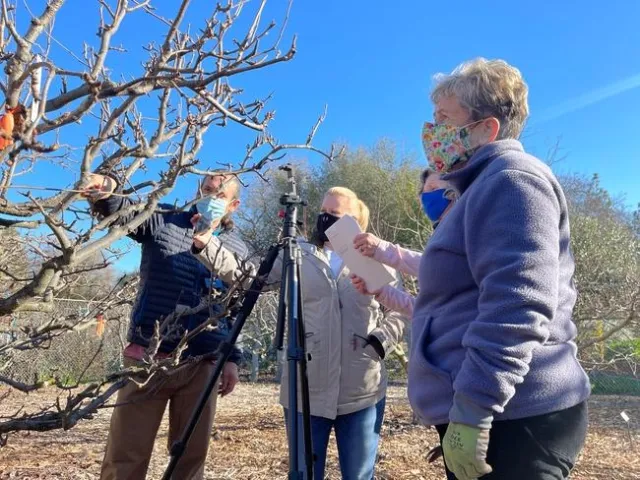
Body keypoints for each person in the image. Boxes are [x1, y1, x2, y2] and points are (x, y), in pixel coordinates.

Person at [409, 58, 590, 480]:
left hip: (515, 418)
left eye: (443, 119)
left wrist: (473, 411)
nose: (430, 131)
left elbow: (517, 306)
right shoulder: (479, 187)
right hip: (501, 412)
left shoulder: (511, 180)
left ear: (485, 129)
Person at [193, 186, 407, 480]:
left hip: (362, 390)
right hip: (306, 389)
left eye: (334, 214)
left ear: (356, 223)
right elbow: (250, 278)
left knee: (359, 475)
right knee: (305, 474)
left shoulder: (378, 258)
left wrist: (379, 343)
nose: (324, 219)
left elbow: (400, 312)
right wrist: (208, 245)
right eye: (323, 211)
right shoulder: (297, 254)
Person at [84, 173, 249, 480]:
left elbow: (233, 308)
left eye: (219, 194)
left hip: (202, 364)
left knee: (189, 460)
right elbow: (128, 212)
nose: (210, 197)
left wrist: (232, 360)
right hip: (148, 356)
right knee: (126, 454)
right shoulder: (165, 220)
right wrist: (107, 193)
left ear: (233, 205)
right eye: (207, 190)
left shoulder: (236, 247)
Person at [350, 169, 456, 317]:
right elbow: (425, 311)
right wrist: (381, 291)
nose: (426, 197)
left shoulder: (469, 231)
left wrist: (381, 249)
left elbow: (436, 267)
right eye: (423, 193)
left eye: (433, 188)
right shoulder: (441, 236)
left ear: (455, 190)